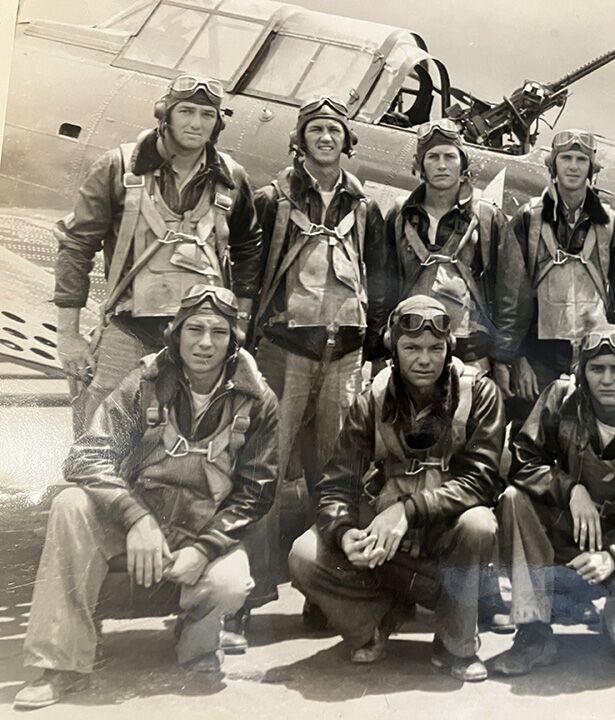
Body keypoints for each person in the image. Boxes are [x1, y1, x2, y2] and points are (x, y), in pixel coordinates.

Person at [13, 285, 279, 710]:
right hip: (138, 521)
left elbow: (256, 492)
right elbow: (87, 455)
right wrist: (135, 517)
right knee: (70, 505)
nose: (205, 342)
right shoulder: (145, 382)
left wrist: (205, 548)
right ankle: (61, 663)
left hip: (201, 529)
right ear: (176, 334)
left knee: (230, 582)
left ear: (234, 341)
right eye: (194, 329)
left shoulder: (259, 400)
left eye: (218, 332)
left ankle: (197, 645)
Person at [226, 97, 390, 649]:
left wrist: (370, 351)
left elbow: (379, 283)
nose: (326, 138)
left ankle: (325, 591)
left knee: (333, 476)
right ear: (300, 140)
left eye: (334, 131)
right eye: (316, 130)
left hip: (343, 355)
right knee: (264, 473)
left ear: (348, 143)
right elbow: (247, 269)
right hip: (283, 351)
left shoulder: (365, 207)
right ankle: (248, 593)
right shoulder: (273, 200)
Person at [287, 295, 504, 681]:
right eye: (412, 348)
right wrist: (343, 533)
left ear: (449, 347)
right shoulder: (371, 398)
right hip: (389, 544)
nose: (425, 359)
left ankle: (456, 643)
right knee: (305, 554)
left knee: (479, 524)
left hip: (446, 534)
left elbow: (482, 481)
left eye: (436, 348)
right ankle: (375, 621)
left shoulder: (479, 394)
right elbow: (338, 485)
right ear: (394, 348)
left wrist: (407, 510)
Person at [54, 75, 262, 433]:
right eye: (186, 112)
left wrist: (240, 321)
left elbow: (249, 246)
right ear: (164, 114)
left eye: (207, 115)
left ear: (218, 124)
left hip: (201, 339)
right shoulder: (118, 168)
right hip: (129, 329)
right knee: (99, 435)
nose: (196, 124)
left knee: (187, 444)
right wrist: (68, 335)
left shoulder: (231, 177)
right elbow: (76, 246)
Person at [490, 324, 615, 674]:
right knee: (514, 499)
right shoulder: (560, 398)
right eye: (596, 368)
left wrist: (614, 557)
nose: (607, 379)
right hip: (568, 531)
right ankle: (533, 633)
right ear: (582, 372)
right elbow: (523, 460)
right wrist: (571, 489)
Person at [382, 119, 528, 395]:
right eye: (433, 157)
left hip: (471, 353)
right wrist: (382, 348)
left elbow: (513, 294)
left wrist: (502, 357)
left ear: (463, 165)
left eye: (450, 156)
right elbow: (384, 287)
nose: (441, 165)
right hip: (413, 351)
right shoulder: (400, 217)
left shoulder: (487, 218)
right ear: (420, 165)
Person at [508, 131, 615, 423]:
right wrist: (517, 358)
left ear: (591, 169)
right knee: (528, 435)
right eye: (566, 158)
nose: (573, 166)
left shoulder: (612, 224)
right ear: (553, 165)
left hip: (595, 357)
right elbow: (509, 294)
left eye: (581, 160)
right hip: (538, 355)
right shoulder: (528, 218)